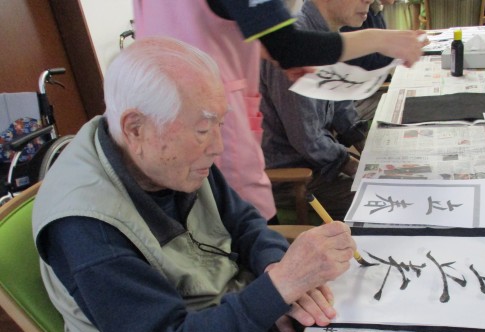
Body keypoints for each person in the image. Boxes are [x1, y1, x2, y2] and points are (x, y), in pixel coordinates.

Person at [32, 36, 356, 332]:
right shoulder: (87, 228)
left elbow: (244, 223)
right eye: (204, 129)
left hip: (231, 318)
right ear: (135, 129)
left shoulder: (164, 157)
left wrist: (275, 271)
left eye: (219, 124)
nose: (217, 147)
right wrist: (276, 290)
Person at [133, 0, 428, 223]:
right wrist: (382, 39)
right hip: (211, 127)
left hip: (173, 122)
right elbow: (287, 46)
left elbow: (209, 31)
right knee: (244, 234)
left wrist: (264, 50)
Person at [260, 0, 427, 220]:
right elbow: (307, 139)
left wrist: (370, 151)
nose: (369, 0)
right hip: (296, 178)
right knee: (401, 204)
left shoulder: (326, 35)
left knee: (405, 180)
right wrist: (353, 165)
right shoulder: (298, 43)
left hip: (319, 165)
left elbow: (340, 104)